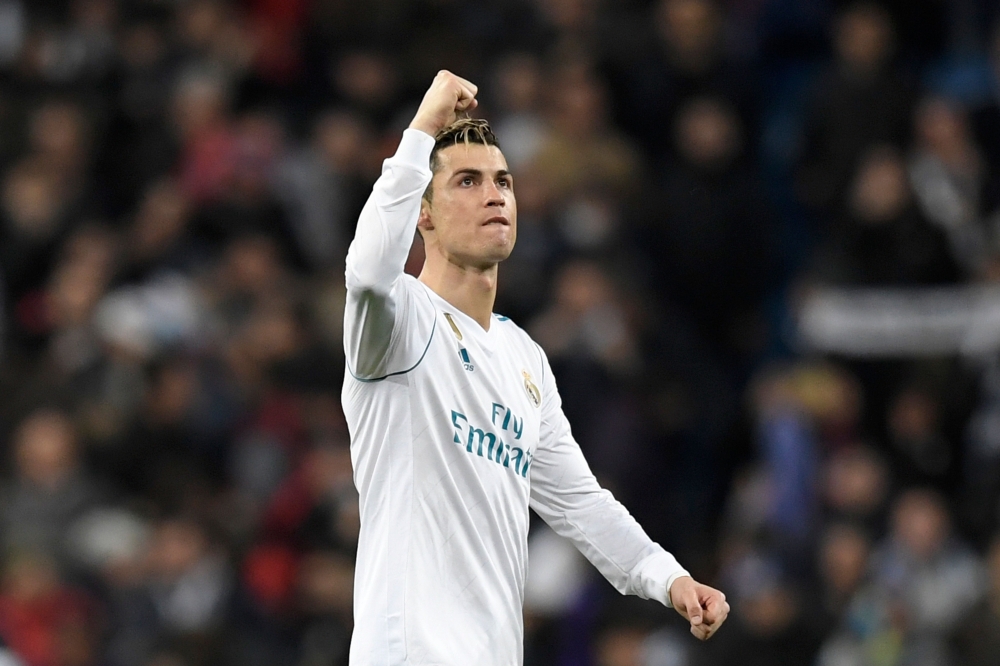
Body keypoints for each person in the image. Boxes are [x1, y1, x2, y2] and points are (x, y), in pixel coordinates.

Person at [341, 70, 729, 665]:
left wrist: (667, 576)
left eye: (503, 181)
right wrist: (421, 128)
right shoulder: (401, 323)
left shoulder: (522, 356)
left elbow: (579, 503)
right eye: (467, 181)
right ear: (424, 213)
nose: (494, 194)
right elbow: (368, 274)